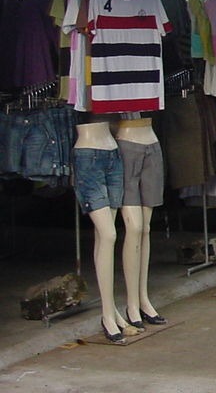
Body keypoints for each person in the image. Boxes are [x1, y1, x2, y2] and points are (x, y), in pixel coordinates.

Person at [73, 122, 137, 344]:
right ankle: (107, 314)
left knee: (104, 236)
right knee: (108, 234)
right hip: (87, 154)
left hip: (112, 152)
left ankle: (111, 311)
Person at [116, 118, 167, 330]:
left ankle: (142, 298)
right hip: (126, 142)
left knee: (145, 228)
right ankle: (132, 303)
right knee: (134, 227)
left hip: (151, 140)